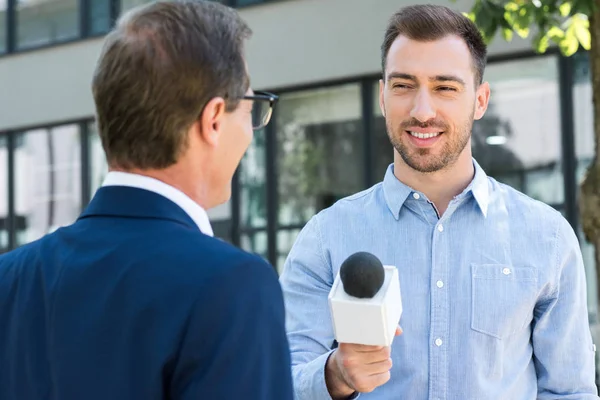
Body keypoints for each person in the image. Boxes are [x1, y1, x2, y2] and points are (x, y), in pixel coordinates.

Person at [279, 4, 598, 399]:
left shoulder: (547, 238)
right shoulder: (326, 238)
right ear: (382, 97)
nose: (422, 110)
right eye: (403, 85)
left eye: (445, 87)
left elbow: (571, 392)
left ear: (480, 101)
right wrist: (335, 375)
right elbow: (278, 381)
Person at [0, 1, 293, 399]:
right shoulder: (232, 286)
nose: (251, 130)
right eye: (251, 107)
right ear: (213, 119)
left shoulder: (10, 278)